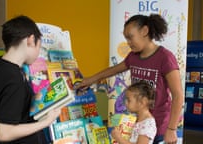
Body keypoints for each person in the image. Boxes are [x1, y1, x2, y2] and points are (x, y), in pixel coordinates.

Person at [77, 14, 184, 144]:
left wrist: (171, 128)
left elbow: (178, 95)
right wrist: (90, 80)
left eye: (130, 37)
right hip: (139, 123)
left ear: (145, 31)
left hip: (160, 126)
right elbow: (113, 70)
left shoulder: (165, 58)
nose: (128, 42)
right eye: (126, 38)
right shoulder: (133, 57)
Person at [0, 15, 61, 144]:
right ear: (31, 40)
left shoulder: (0, 66)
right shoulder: (13, 77)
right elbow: (4, 133)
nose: (38, 53)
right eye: (39, 47)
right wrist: (46, 122)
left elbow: (9, 105)